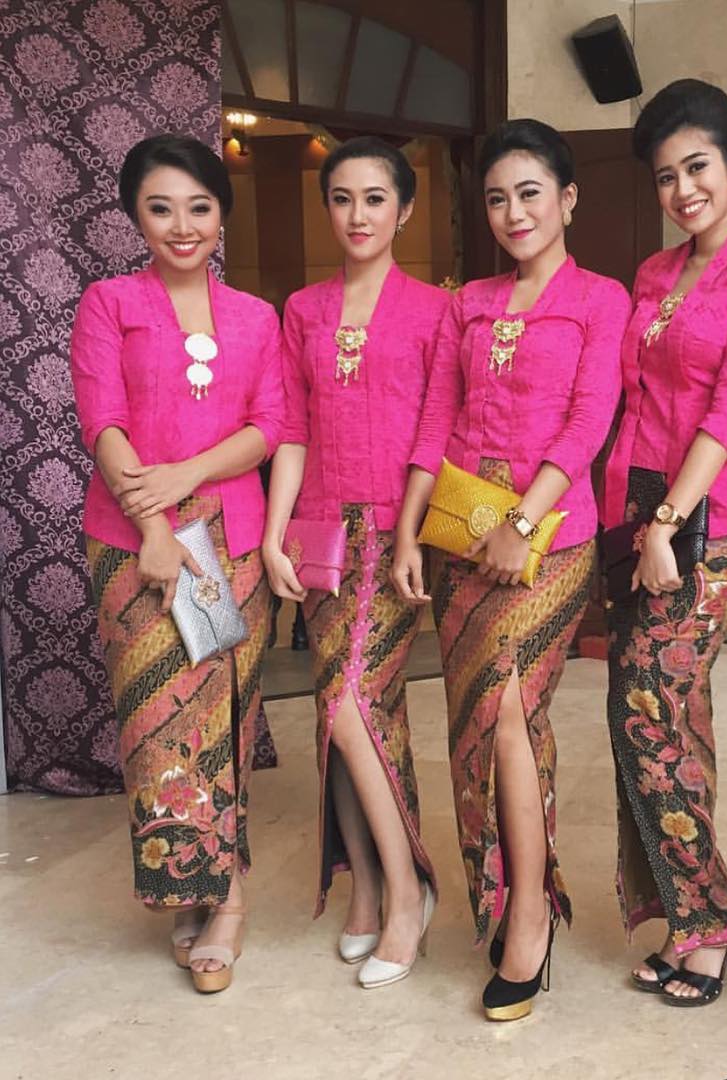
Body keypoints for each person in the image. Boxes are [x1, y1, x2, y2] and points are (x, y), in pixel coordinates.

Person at [393, 119, 631, 1021]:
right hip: (461, 540)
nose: (514, 212)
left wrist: (523, 522)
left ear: (567, 198)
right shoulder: (469, 303)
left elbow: (589, 418)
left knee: (503, 717)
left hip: (552, 542)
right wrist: (410, 532)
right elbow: (437, 418)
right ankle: (500, 891)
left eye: (530, 192)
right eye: (497, 198)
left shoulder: (600, 299)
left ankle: (530, 913)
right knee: (476, 729)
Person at [70, 134, 284, 993]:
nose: (183, 226)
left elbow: (269, 425)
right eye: (161, 209)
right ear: (137, 216)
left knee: (224, 716)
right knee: (157, 722)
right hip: (133, 544)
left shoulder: (255, 317)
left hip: (230, 541)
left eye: (199, 207)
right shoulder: (110, 302)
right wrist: (154, 527)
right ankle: (188, 883)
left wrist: (187, 476)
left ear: (221, 214)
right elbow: (103, 421)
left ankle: (226, 898)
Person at [602, 79, 727, 1007]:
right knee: (672, 713)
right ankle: (689, 916)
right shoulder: (652, 273)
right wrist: (630, 521)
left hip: (708, 512)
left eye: (699, 167)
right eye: (666, 176)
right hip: (637, 505)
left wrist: (669, 524)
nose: (683, 190)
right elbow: (634, 399)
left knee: (651, 703)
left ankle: (710, 921)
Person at [261, 137, 448, 989]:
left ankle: (409, 893)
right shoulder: (302, 310)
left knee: (346, 707)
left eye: (375, 199)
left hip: (390, 533)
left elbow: (434, 432)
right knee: (337, 715)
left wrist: (409, 532)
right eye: (342, 198)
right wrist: (276, 534)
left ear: (404, 210)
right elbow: (292, 429)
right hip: (320, 537)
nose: (358, 215)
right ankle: (366, 888)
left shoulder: (433, 310)